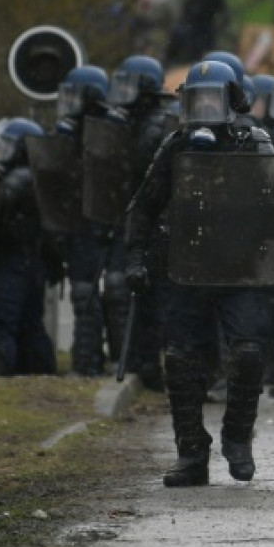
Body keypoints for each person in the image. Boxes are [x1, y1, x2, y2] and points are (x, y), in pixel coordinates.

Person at [125, 60, 274, 487]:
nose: (205, 107)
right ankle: (191, 453)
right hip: (189, 266)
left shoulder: (255, 142)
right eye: (197, 99)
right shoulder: (176, 145)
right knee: (181, 361)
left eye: (213, 98)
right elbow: (144, 205)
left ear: (234, 101)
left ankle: (237, 436)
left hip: (241, 270)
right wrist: (136, 257)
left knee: (248, 353)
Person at [102, 54, 172, 388]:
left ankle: (146, 365)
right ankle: (134, 361)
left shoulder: (156, 125)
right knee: (127, 292)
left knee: (149, 297)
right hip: (137, 221)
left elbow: (140, 177)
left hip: (153, 225)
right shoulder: (135, 120)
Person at [0, 118, 60, 376]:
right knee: (29, 325)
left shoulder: (20, 177)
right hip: (25, 262)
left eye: (8, 146)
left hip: (14, 263)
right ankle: (38, 374)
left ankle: (0, 379)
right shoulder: (31, 175)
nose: (0, 151)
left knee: (2, 323)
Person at [51, 66, 113, 376]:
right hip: (75, 225)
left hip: (97, 227)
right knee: (82, 295)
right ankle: (85, 359)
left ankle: (90, 362)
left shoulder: (106, 133)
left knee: (89, 295)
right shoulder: (68, 131)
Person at [165, 0, 229, 64]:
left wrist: (221, 25)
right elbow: (186, 10)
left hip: (207, 26)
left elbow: (223, 11)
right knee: (192, 51)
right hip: (193, 27)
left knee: (208, 52)